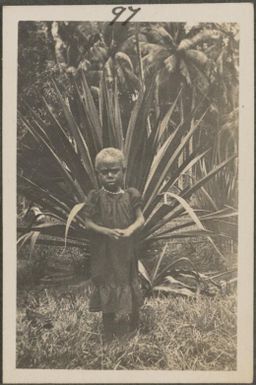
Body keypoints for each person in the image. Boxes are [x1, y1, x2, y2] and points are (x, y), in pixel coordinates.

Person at [84, 147, 145, 342]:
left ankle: (134, 324)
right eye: (104, 172)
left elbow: (140, 219)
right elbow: (88, 222)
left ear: (123, 171)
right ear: (98, 174)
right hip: (106, 252)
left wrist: (129, 230)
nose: (110, 175)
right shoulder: (96, 197)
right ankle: (108, 330)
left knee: (129, 281)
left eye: (114, 170)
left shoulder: (130, 195)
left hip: (126, 251)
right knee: (108, 283)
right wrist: (106, 231)